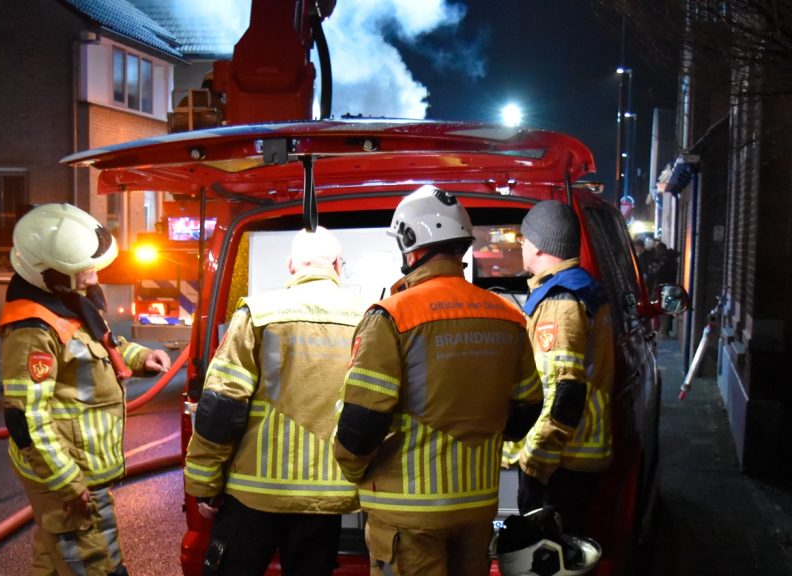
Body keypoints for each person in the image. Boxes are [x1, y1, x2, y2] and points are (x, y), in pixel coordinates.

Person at [333, 185, 543, 576]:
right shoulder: (508, 316)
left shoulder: (392, 316)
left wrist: (352, 471)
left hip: (408, 516)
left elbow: (362, 422)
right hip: (477, 508)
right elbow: (528, 406)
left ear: (412, 246)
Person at [0, 203, 172, 576]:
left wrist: (141, 357)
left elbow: (100, 344)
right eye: (83, 269)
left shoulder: (65, 301)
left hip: (78, 468)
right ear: (49, 270)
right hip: (70, 474)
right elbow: (25, 418)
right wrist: (68, 484)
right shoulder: (32, 330)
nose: (93, 277)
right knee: (97, 564)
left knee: (54, 562)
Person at [184, 226, 368, 575]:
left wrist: (204, 483)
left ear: (290, 266)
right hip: (326, 500)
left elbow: (222, 406)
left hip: (254, 495)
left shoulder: (260, 312)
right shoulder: (369, 317)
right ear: (338, 266)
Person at [513, 200, 615, 536]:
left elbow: (562, 391)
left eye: (524, 238)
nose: (521, 244)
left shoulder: (560, 301)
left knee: (548, 555)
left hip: (561, 462)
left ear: (541, 244)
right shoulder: (577, 287)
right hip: (573, 455)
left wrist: (535, 462)